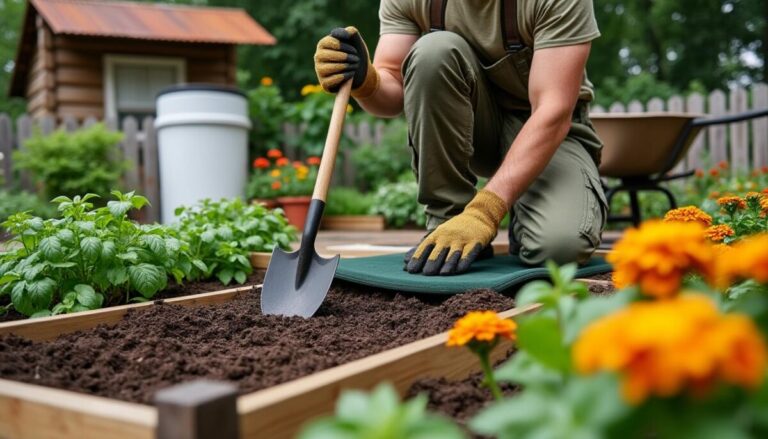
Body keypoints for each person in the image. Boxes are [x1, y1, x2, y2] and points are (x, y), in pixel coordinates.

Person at [314, 0, 607, 276]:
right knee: (432, 52)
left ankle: (521, 217)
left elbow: (553, 111)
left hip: (547, 134)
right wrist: (367, 82)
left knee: (560, 250)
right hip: (474, 130)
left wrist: (484, 212)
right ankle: (448, 223)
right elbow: (393, 87)